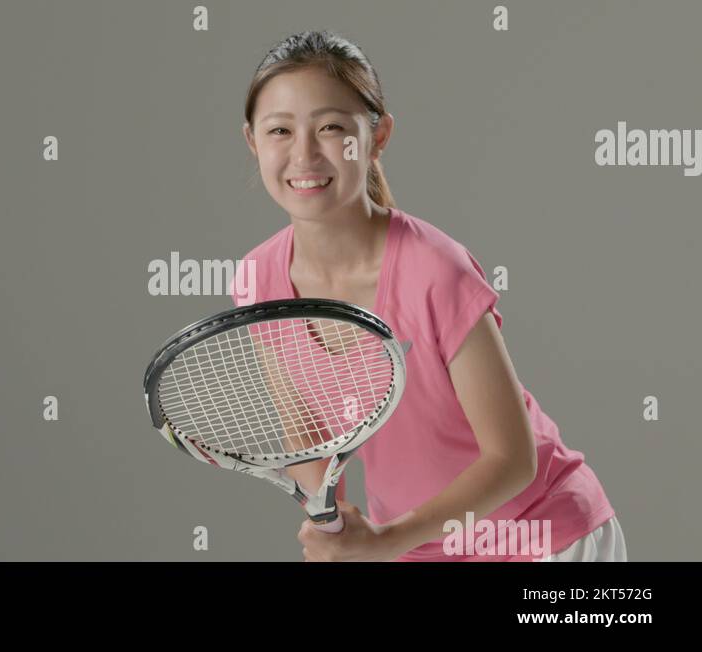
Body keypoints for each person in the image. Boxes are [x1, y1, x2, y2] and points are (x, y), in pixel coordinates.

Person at [233, 30, 625, 562]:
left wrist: (384, 541)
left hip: (545, 537)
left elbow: (512, 461)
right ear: (253, 141)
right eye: (279, 130)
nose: (304, 154)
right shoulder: (257, 279)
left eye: (331, 128)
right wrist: (335, 528)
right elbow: (309, 433)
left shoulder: (435, 269)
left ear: (377, 138)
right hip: (418, 547)